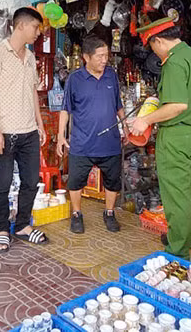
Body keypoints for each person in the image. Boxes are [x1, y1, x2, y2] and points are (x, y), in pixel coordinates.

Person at [129, 16, 191, 260]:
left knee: (175, 195)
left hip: (176, 134)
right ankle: (181, 236)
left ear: (158, 41)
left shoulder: (174, 62)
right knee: (185, 192)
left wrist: (146, 119)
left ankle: (177, 253)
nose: (154, 53)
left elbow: (177, 105)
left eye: (152, 47)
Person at [0, 7, 49, 252]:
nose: (38, 33)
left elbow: (32, 93)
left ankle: (22, 226)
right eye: (36, 27)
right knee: (3, 181)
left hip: (29, 131)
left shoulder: (30, 57)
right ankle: (2, 228)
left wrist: (40, 125)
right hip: (4, 131)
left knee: (31, 180)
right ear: (20, 25)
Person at [56, 36, 128, 234]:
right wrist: (61, 136)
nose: (104, 60)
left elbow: (118, 104)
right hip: (82, 142)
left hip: (110, 142)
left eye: (106, 55)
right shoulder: (75, 79)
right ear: (86, 57)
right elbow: (65, 109)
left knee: (113, 181)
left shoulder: (111, 75)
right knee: (75, 181)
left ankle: (109, 212)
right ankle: (77, 214)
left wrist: (125, 126)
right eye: (100, 56)